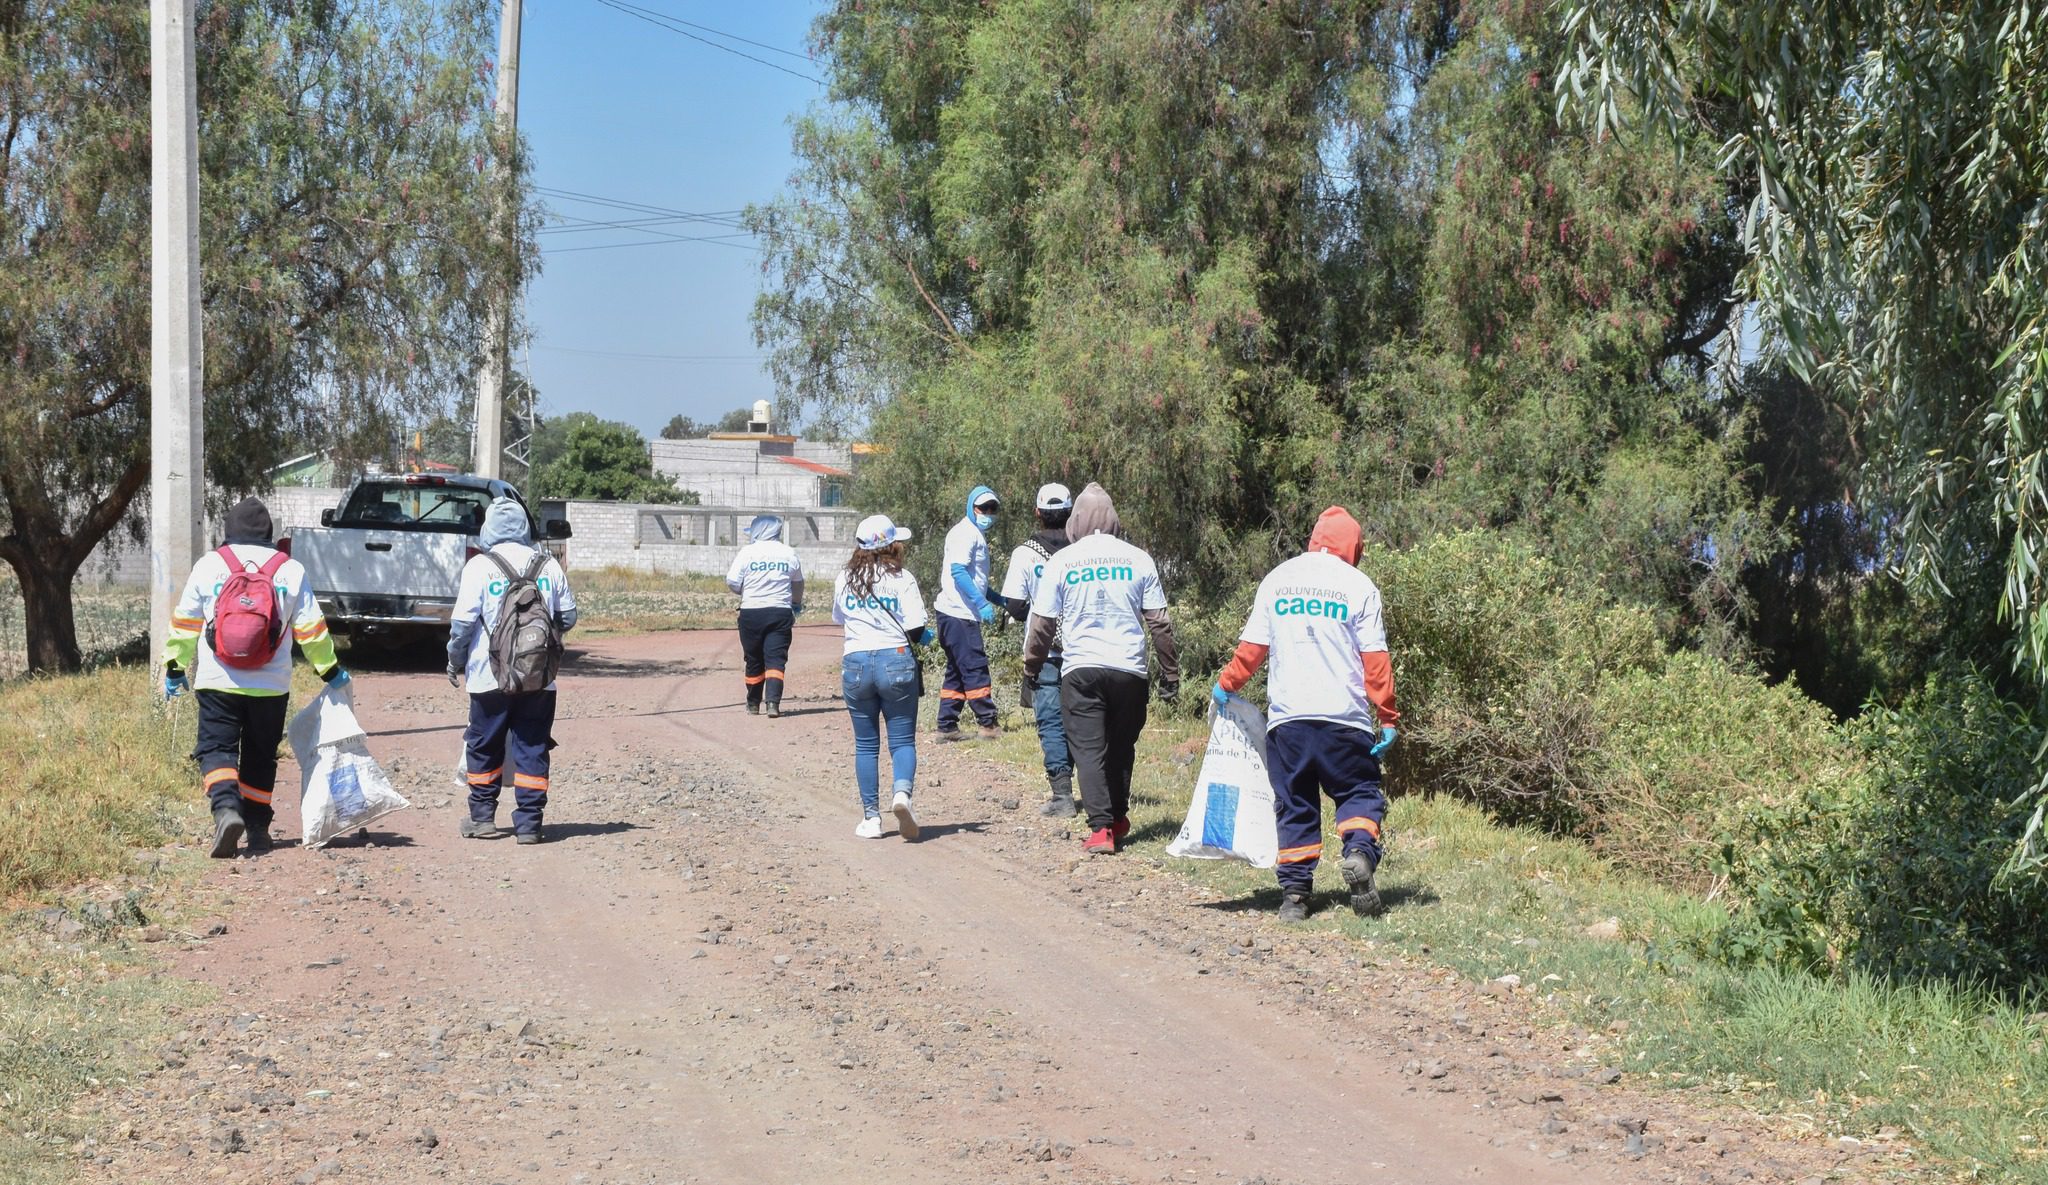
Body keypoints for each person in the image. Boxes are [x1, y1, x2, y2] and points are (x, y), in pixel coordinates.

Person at [1212, 506, 1399, 922]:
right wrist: (1387, 716)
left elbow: (1252, 651)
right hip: (1345, 722)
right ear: (1354, 548)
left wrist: (1226, 686)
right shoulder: (1360, 585)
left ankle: (1295, 897)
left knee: (1295, 802)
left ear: (1314, 541)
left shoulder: (1279, 579)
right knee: (1358, 793)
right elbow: (1375, 659)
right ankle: (1358, 853)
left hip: (1288, 722)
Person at [163, 496, 347, 858]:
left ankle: (226, 810)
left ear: (229, 530)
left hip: (218, 680)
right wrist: (329, 670)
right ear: (269, 533)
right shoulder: (289, 569)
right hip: (271, 684)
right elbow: (311, 628)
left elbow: (185, 622)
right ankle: (259, 828)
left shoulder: (209, 565)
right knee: (261, 755)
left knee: (217, 749)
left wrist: (174, 666)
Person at [1022, 483, 1180, 854]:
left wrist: (1032, 667)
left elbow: (1042, 624)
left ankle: (1101, 830)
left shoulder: (1063, 561)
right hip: (1129, 670)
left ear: (1076, 520)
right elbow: (1160, 623)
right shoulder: (1139, 558)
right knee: (1122, 746)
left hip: (1081, 671)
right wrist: (1170, 674)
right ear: (1114, 520)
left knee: (1089, 749)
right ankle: (1118, 816)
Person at [447, 498, 577, 845]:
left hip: (488, 676)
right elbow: (568, 618)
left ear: (488, 528)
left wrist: (454, 661)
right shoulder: (548, 565)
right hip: (539, 677)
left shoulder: (479, 567)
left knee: (483, 745)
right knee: (532, 745)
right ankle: (529, 825)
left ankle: (483, 818)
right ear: (524, 526)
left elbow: (461, 626)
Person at [833, 514, 930, 841]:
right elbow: (916, 629)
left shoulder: (844, 577)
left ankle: (872, 819)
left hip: (856, 662)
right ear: (892, 545)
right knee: (902, 740)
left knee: (866, 744)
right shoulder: (902, 578)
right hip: (896, 661)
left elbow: (839, 618)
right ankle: (901, 794)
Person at [1001, 483, 1076, 816]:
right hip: (1082, 651)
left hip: (1044, 653)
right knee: (1083, 721)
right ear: (1072, 512)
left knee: (1050, 722)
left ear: (1037, 513)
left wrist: (1036, 612)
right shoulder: (1084, 549)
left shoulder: (1025, 553)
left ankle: (1062, 796)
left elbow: (1015, 605)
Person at [932, 484, 1003, 741]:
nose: (988, 512)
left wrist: (996, 599)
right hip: (959, 613)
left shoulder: (972, 533)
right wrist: (981, 603)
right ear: (971, 507)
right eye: (983, 507)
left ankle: (947, 726)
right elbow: (959, 572)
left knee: (957, 670)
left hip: (955, 613)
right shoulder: (966, 533)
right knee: (974, 667)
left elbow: (976, 578)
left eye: (993, 508)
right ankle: (988, 724)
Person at [727, 514, 804, 717]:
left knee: (754, 658)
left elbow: (733, 581)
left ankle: (753, 703)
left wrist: (746, 591)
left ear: (758, 532)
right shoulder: (788, 553)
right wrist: (795, 604)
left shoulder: (747, 553)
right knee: (776, 659)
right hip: (780, 612)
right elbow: (797, 583)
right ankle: (773, 703)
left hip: (751, 613)